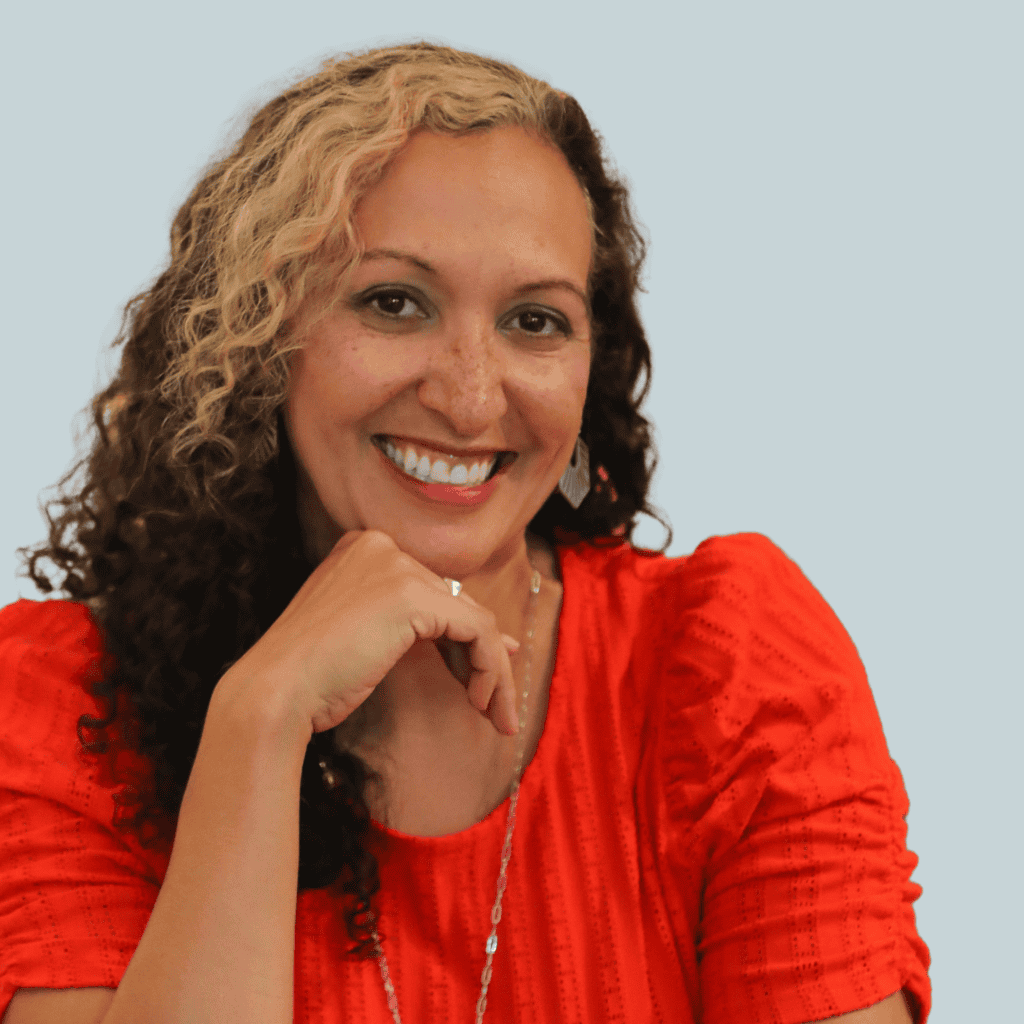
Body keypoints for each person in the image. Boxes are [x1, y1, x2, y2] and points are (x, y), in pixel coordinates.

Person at [0, 42, 930, 1024]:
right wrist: (261, 721)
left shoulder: (726, 664)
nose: (471, 395)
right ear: (260, 341)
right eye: (393, 302)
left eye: (534, 321)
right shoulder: (70, 709)